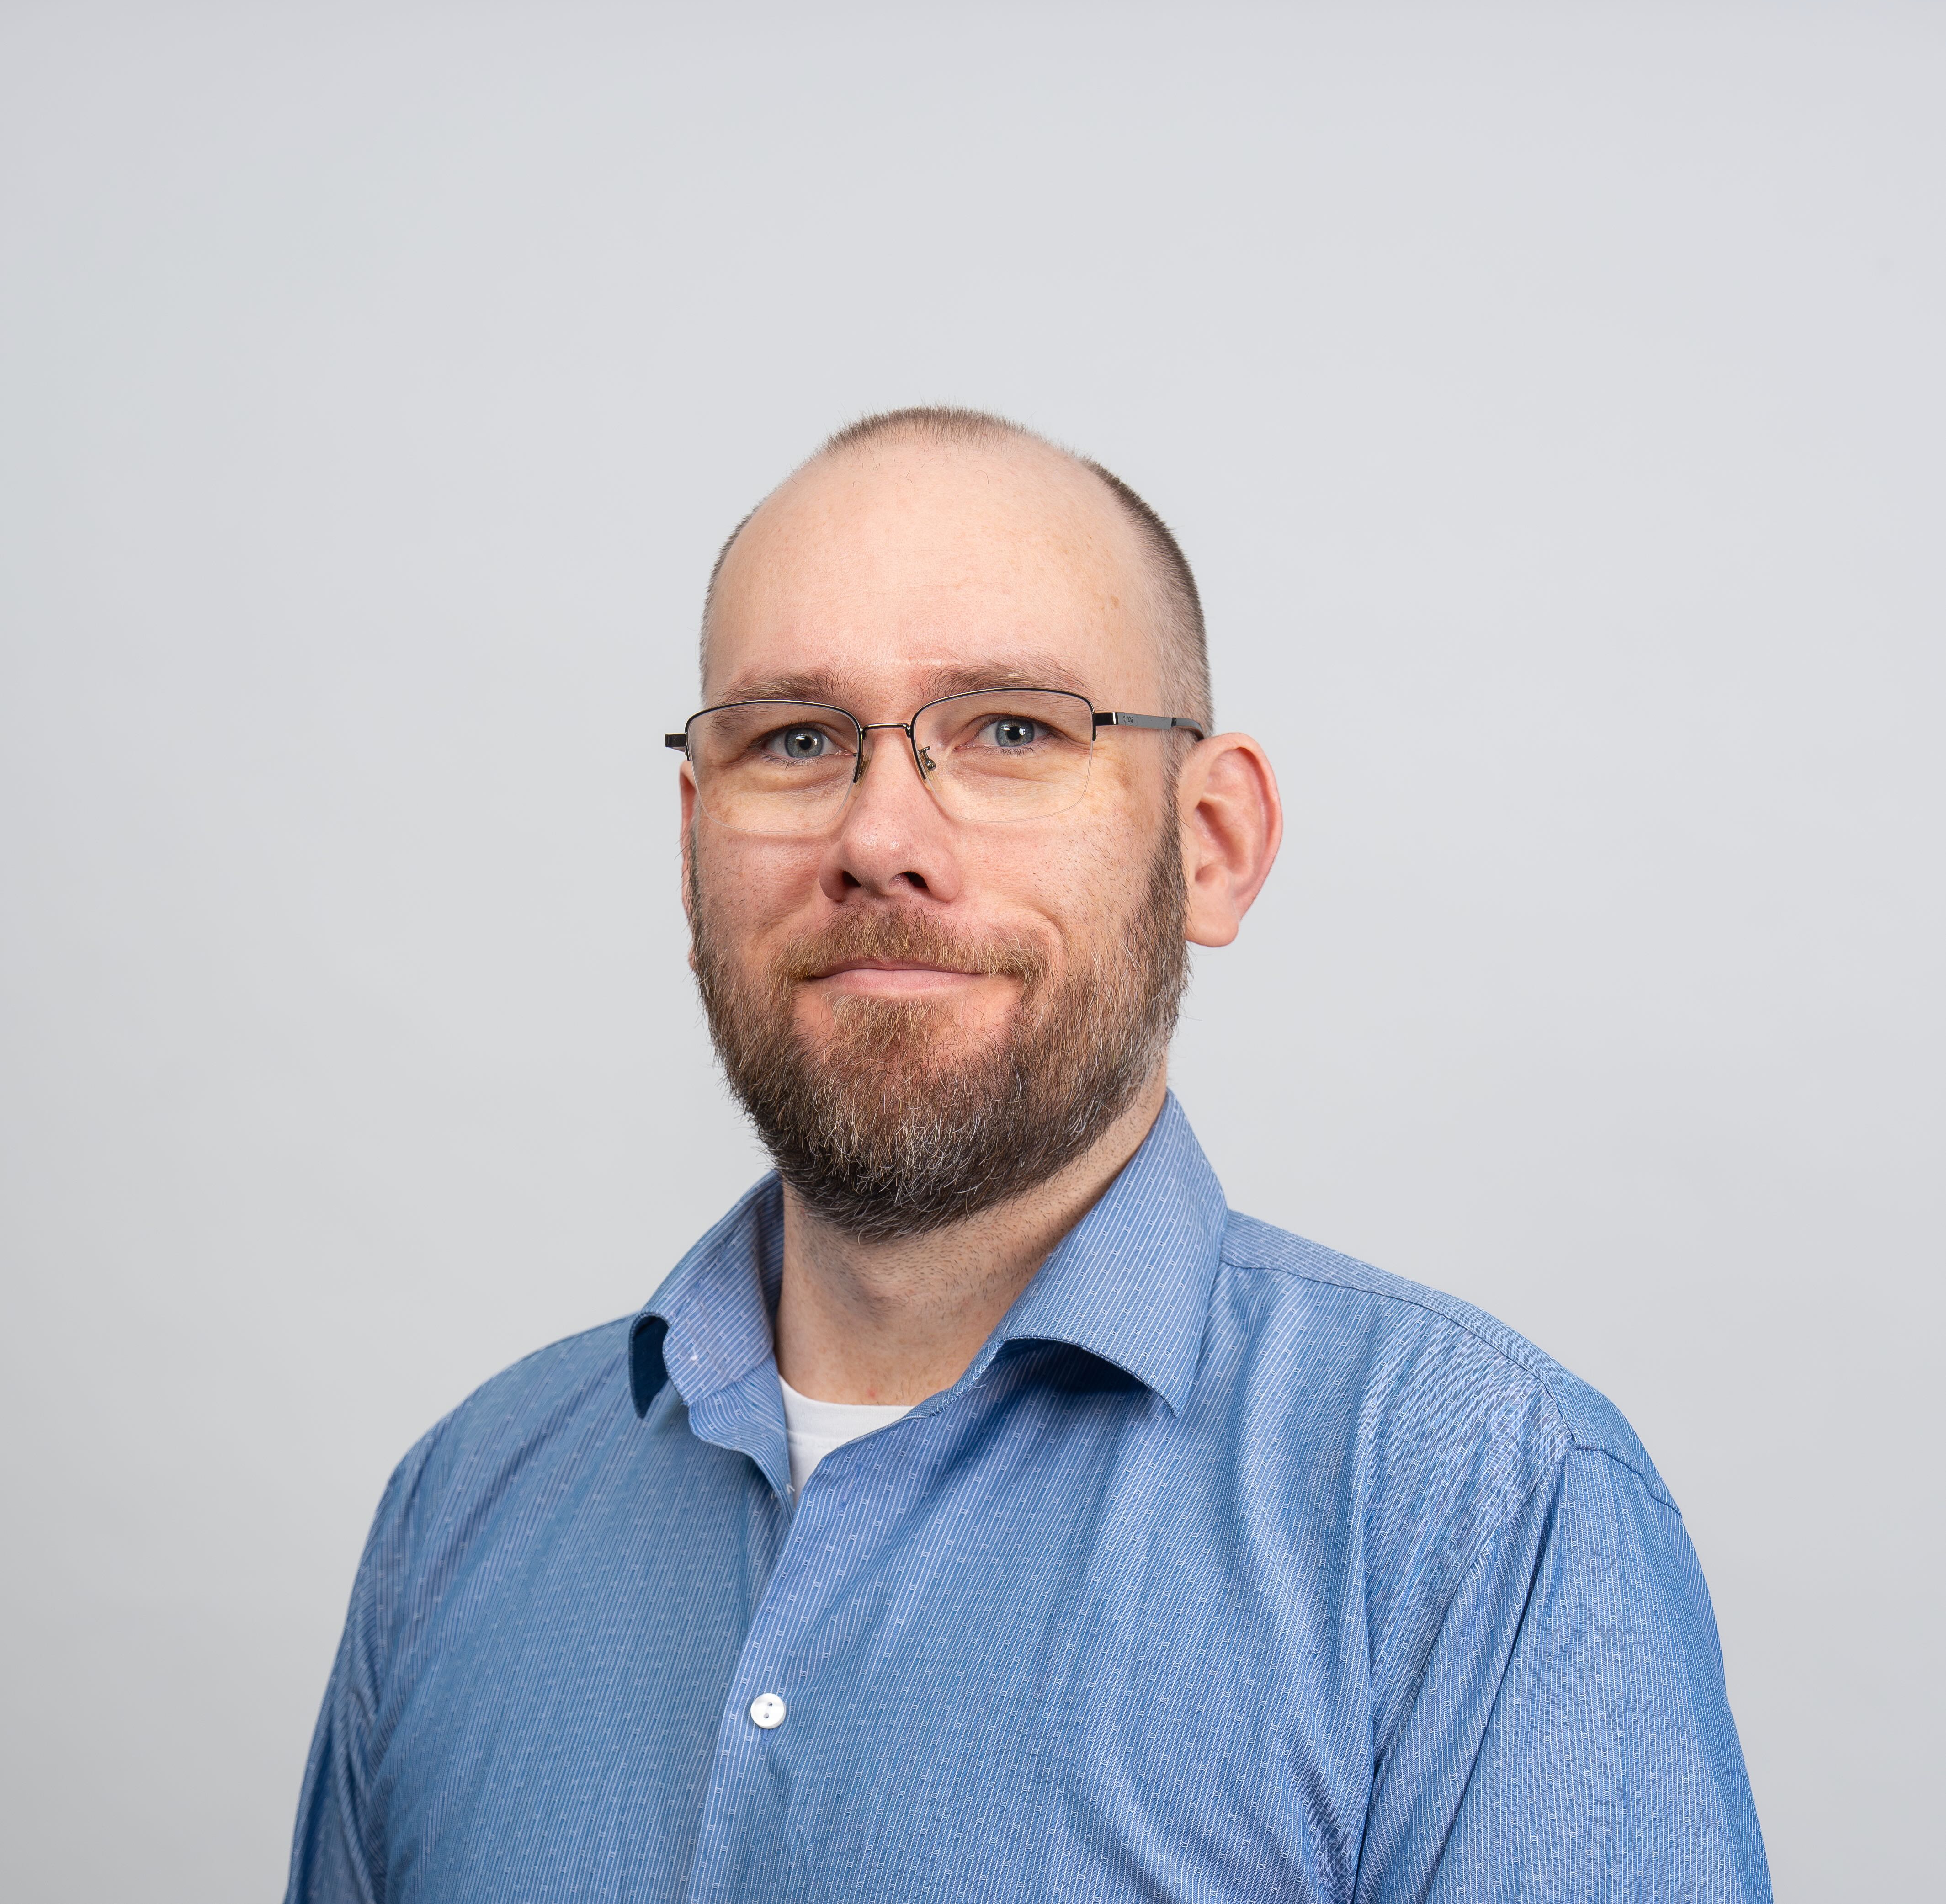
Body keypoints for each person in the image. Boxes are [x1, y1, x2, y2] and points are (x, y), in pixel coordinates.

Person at [287, 408, 1771, 1903]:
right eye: (794, 740)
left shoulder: (1477, 1506)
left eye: (1010, 730)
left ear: (1210, 841)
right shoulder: (465, 1509)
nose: (879, 835)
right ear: (692, 842)